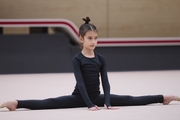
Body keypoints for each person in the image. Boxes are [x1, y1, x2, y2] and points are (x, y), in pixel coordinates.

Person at [0, 17, 180, 111]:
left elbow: (106, 82)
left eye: (96, 38)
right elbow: (81, 83)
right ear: (81, 38)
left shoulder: (101, 58)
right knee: (50, 102)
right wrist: (88, 104)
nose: (93, 42)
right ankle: (15, 102)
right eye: (90, 38)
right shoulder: (77, 59)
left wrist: (107, 102)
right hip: (80, 97)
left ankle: (164, 97)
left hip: (98, 97)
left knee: (130, 99)